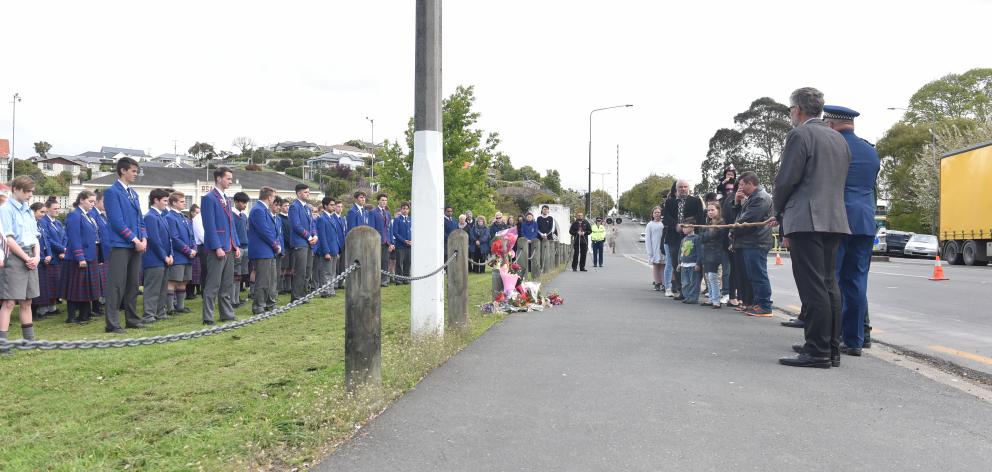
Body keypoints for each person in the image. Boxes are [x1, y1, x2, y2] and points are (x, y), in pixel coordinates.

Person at [775, 87, 851, 369]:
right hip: (834, 218)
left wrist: (778, 210)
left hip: (806, 219)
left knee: (812, 287)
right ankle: (830, 348)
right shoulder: (838, 138)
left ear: (797, 109)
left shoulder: (799, 134)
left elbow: (786, 180)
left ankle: (816, 350)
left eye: (790, 110)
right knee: (829, 284)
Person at [821, 105, 880, 356]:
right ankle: (855, 340)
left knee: (830, 281)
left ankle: (828, 339)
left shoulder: (833, 147)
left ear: (831, 124)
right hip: (865, 221)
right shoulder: (870, 150)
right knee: (856, 282)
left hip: (838, 220)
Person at [104, 157, 148, 333]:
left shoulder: (134, 193)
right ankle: (112, 323)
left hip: (136, 245)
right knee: (116, 285)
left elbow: (140, 219)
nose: (136, 174)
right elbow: (116, 221)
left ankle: (131, 318)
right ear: (123, 170)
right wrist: (134, 239)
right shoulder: (112, 192)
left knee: (133, 284)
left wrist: (144, 238)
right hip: (121, 245)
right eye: (133, 171)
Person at [0, 176, 41, 353]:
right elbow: (8, 239)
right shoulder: (5, 210)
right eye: (27, 191)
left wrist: (37, 256)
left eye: (31, 191)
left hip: (31, 256)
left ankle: (29, 341)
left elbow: (35, 237)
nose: (30, 195)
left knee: (27, 301)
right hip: (16, 257)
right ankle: (3, 344)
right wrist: (26, 257)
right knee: (9, 302)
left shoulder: (28, 211)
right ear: (15, 189)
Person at [201, 167, 241, 325]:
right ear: (218, 178)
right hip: (217, 248)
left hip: (229, 247)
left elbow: (231, 225)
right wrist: (217, 246)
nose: (230, 181)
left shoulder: (227, 199)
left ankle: (226, 313)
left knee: (226, 284)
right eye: (228, 178)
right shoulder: (209, 198)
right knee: (213, 284)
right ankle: (208, 316)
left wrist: (235, 244)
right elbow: (209, 226)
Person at [731, 171, 774, 316]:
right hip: (750, 242)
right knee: (752, 275)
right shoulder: (752, 198)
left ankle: (765, 306)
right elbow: (741, 216)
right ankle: (757, 303)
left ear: (750, 183)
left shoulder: (760, 198)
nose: (740, 188)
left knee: (758, 275)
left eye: (742, 185)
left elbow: (748, 220)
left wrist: (733, 229)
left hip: (757, 242)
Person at [62, 190, 105, 323]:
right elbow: (74, 238)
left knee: (87, 288)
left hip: (91, 255)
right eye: (90, 201)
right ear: (81, 199)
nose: (92, 204)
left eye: (93, 201)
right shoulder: (74, 215)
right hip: (78, 258)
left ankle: (84, 315)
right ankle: (71, 317)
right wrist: (80, 257)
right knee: (76, 289)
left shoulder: (88, 215)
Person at [663, 179, 706, 298]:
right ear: (676, 188)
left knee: (693, 264)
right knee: (677, 263)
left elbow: (700, 217)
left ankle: (692, 291)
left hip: (691, 237)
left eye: (685, 187)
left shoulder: (695, 201)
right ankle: (682, 290)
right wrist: (675, 225)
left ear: (689, 188)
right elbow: (665, 217)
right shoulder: (670, 202)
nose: (683, 189)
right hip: (674, 237)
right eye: (680, 187)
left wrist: (688, 226)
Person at [142, 189, 174, 324]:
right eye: (164, 201)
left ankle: (160, 312)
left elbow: (169, 238)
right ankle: (149, 314)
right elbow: (154, 240)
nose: (166, 204)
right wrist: (164, 256)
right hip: (154, 260)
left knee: (162, 288)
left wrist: (171, 254)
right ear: (155, 200)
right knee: (152, 288)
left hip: (164, 259)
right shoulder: (150, 216)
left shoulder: (161, 216)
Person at [248, 187, 282, 313]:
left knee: (270, 279)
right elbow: (264, 231)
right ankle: (258, 305)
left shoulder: (263, 210)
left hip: (268, 250)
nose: (274, 200)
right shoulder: (258, 210)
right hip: (262, 250)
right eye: (273, 197)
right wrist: (275, 244)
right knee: (262, 280)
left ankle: (269, 303)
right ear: (269, 197)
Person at [165, 192, 195, 316]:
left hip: (188, 256)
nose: (184, 203)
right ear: (173, 203)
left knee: (184, 280)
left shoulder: (184, 217)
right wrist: (188, 250)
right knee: (173, 281)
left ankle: (180, 306)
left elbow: (191, 235)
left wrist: (194, 248)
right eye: (182, 201)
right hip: (178, 255)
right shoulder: (170, 217)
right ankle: (170, 308)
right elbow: (174, 238)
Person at [37, 197, 67, 318]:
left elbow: (65, 237)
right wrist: (61, 249)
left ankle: (52, 307)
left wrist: (64, 249)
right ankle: (43, 308)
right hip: (51, 257)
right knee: (47, 284)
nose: (57, 211)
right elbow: (48, 240)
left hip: (60, 257)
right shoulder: (44, 222)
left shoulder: (58, 222)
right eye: (55, 209)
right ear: (48, 209)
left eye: (58, 208)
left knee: (56, 283)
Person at [289, 184, 317, 302]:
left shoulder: (307, 207)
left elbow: (312, 224)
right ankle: (296, 296)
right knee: (300, 271)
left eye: (308, 192)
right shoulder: (294, 207)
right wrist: (309, 236)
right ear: (299, 193)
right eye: (305, 192)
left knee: (307, 270)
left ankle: (304, 295)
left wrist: (315, 235)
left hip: (309, 243)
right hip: (300, 243)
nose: (308, 194)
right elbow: (296, 226)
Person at [699, 202, 728, 309]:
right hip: (706, 252)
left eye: (712, 210)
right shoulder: (709, 223)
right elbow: (702, 237)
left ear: (718, 210)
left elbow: (709, 236)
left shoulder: (721, 223)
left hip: (715, 252)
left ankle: (716, 300)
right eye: (708, 210)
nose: (710, 212)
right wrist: (705, 235)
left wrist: (705, 235)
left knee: (712, 276)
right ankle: (711, 298)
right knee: (707, 276)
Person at [31, 203, 54, 319]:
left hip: (44, 258)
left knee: (42, 287)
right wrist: (41, 257)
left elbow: (46, 241)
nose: (43, 215)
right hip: (36, 259)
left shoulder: (40, 224)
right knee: (34, 287)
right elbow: (33, 244)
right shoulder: (30, 224)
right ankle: (33, 313)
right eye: (41, 212)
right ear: (34, 211)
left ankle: (39, 311)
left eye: (45, 212)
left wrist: (49, 254)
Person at [91, 190, 111, 316]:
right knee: (97, 282)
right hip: (98, 252)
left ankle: (101, 303)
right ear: (97, 201)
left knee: (103, 281)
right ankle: (96, 306)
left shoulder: (104, 215)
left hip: (107, 252)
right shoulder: (93, 214)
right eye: (104, 201)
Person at [314, 196, 339, 296]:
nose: (334, 207)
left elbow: (335, 236)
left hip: (334, 249)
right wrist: (326, 252)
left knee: (332, 272)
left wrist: (337, 250)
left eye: (334, 205)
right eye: (331, 205)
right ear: (325, 206)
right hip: (327, 250)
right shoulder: (322, 218)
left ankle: (331, 290)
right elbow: (322, 237)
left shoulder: (332, 217)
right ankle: (325, 291)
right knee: (326, 272)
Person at [232, 192, 251, 307]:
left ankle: (237, 298)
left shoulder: (244, 216)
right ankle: (232, 300)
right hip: (237, 248)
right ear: (236, 202)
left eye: (246, 203)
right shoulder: (231, 215)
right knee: (234, 274)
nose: (245, 205)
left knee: (240, 276)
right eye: (243, 202)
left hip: (245, 247)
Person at [678, 217, 702, 304]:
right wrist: (679, 263)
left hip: (693, 264)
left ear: (692, 227)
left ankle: (693, 298)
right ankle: (687, 296)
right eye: (683, 227)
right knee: (685, 282)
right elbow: (680, 252)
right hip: (684, 264)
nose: (683, 229)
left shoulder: (697, 238)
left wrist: (698, 263)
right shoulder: (683, 239)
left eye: (685, 227)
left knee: (694, 283)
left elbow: (699, 251)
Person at [644, 206, 665, 291]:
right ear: (652, 214)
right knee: (656, 266)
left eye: (658, 212)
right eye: (655, 212)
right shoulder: (650, 225)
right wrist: (650, 252)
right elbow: (648, 239)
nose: (657, 214)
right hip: (654, 248)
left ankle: (664, 283)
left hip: (663, 247)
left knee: (664, 266)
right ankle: (657, 283)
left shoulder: (663, 223)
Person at [392, 202, 412, 283]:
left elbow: (414, 231)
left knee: (408, 262)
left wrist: (411, 241)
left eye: (407, 209)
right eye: (403, 208)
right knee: (399, 263)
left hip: (410, 245)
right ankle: (399, 279)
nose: (405, 210)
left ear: (409, 210)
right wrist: (404, 241)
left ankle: (406, 279)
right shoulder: (397, 220)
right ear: (401, 209)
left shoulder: (411, 219)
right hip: (400, 245)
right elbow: (395, 233)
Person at [276, 198, 293, 294]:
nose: (287, 207)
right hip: (284, 246)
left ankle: (288, 287)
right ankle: (280, 287)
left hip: (291, 246)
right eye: (285, 206)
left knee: (290, 268)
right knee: (282, 268)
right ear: (281, 207)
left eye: (288, 205)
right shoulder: (279, 218)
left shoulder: (290, 218)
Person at [187, 204, 203, 300]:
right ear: (192, 212)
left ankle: (195, 291)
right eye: (196, 212)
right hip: (191, 249)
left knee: (197, 273)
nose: (198, 214)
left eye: (199, 212)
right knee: (191, 274)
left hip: (197, 248)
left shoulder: (198, 222)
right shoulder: (189, 222)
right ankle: (189, 293)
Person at [331, 201, 347, 289]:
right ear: (334, 207)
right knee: (335, 266)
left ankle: (340, 283)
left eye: (341, 206)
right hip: (336, 244)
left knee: (342, 265)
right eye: (338, 206)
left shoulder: (343, 218)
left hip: (343, 244)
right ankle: (335, 283)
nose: (340, 208)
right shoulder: (332, 218)